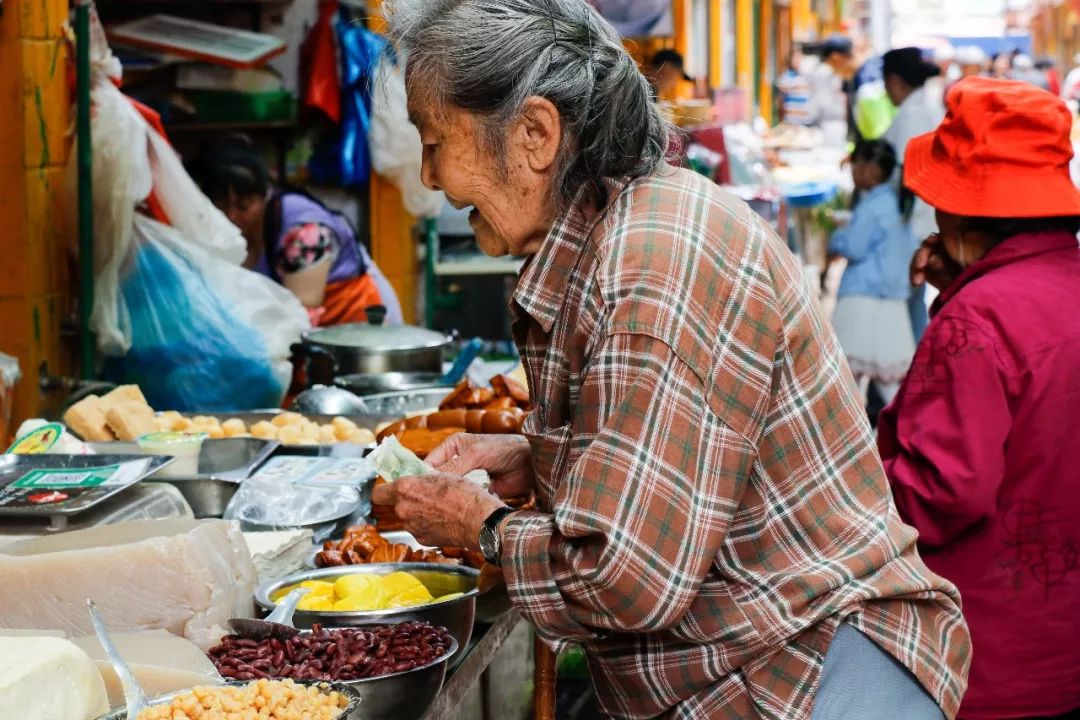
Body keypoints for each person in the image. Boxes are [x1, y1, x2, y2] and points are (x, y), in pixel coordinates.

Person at [374, 2, 970, 719]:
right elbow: (672, 459)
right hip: (752, 673)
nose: (431, 175)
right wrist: (537, 455)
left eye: (436, 141)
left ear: (535, 133)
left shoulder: (649, 264)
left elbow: (626, 577)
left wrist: (481, 525)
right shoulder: (614, 233)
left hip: (808, 677)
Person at [879, 77, 1080, 720]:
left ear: (962, 214)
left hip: (987, 661)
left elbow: (942, 492)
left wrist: (842, 488)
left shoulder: (977, 321)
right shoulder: (1054, 289)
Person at [197, 141, 403, 327]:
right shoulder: (228, 234)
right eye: (222, 205)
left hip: (360, 326)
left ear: (264, 195)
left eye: (243, 205)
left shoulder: (306, 236)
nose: (232, 215)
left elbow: (301, 317)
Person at [828, 140, 917, 405]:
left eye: (855, 165)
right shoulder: (896, 204)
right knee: (891, 386)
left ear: (872, 170)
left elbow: (854, 246)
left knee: (845, 388)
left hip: (862, 298)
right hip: (891, 301)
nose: (853, 171)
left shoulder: (872, 207)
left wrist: (837, 236)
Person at [882, 47, 945, 343]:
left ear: (893, 81)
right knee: (915, 302)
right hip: (926, 220)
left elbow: (907, 176)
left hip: (913, 223)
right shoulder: (928, 109)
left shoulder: (913, 115)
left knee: (908, 303)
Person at [819, 33, 893, 141]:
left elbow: (880, 132)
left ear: (836, 58)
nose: (834, 72)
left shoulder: (868, 84)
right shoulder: (855, 79)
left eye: (831, 66)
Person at [776, 47, 817, 126]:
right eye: (795, 58)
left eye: (799, 57)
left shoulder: (807, 77)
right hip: (791, 122)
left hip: (806, 122)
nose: (797, 60)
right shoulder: (785, 77)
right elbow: (780, 101)